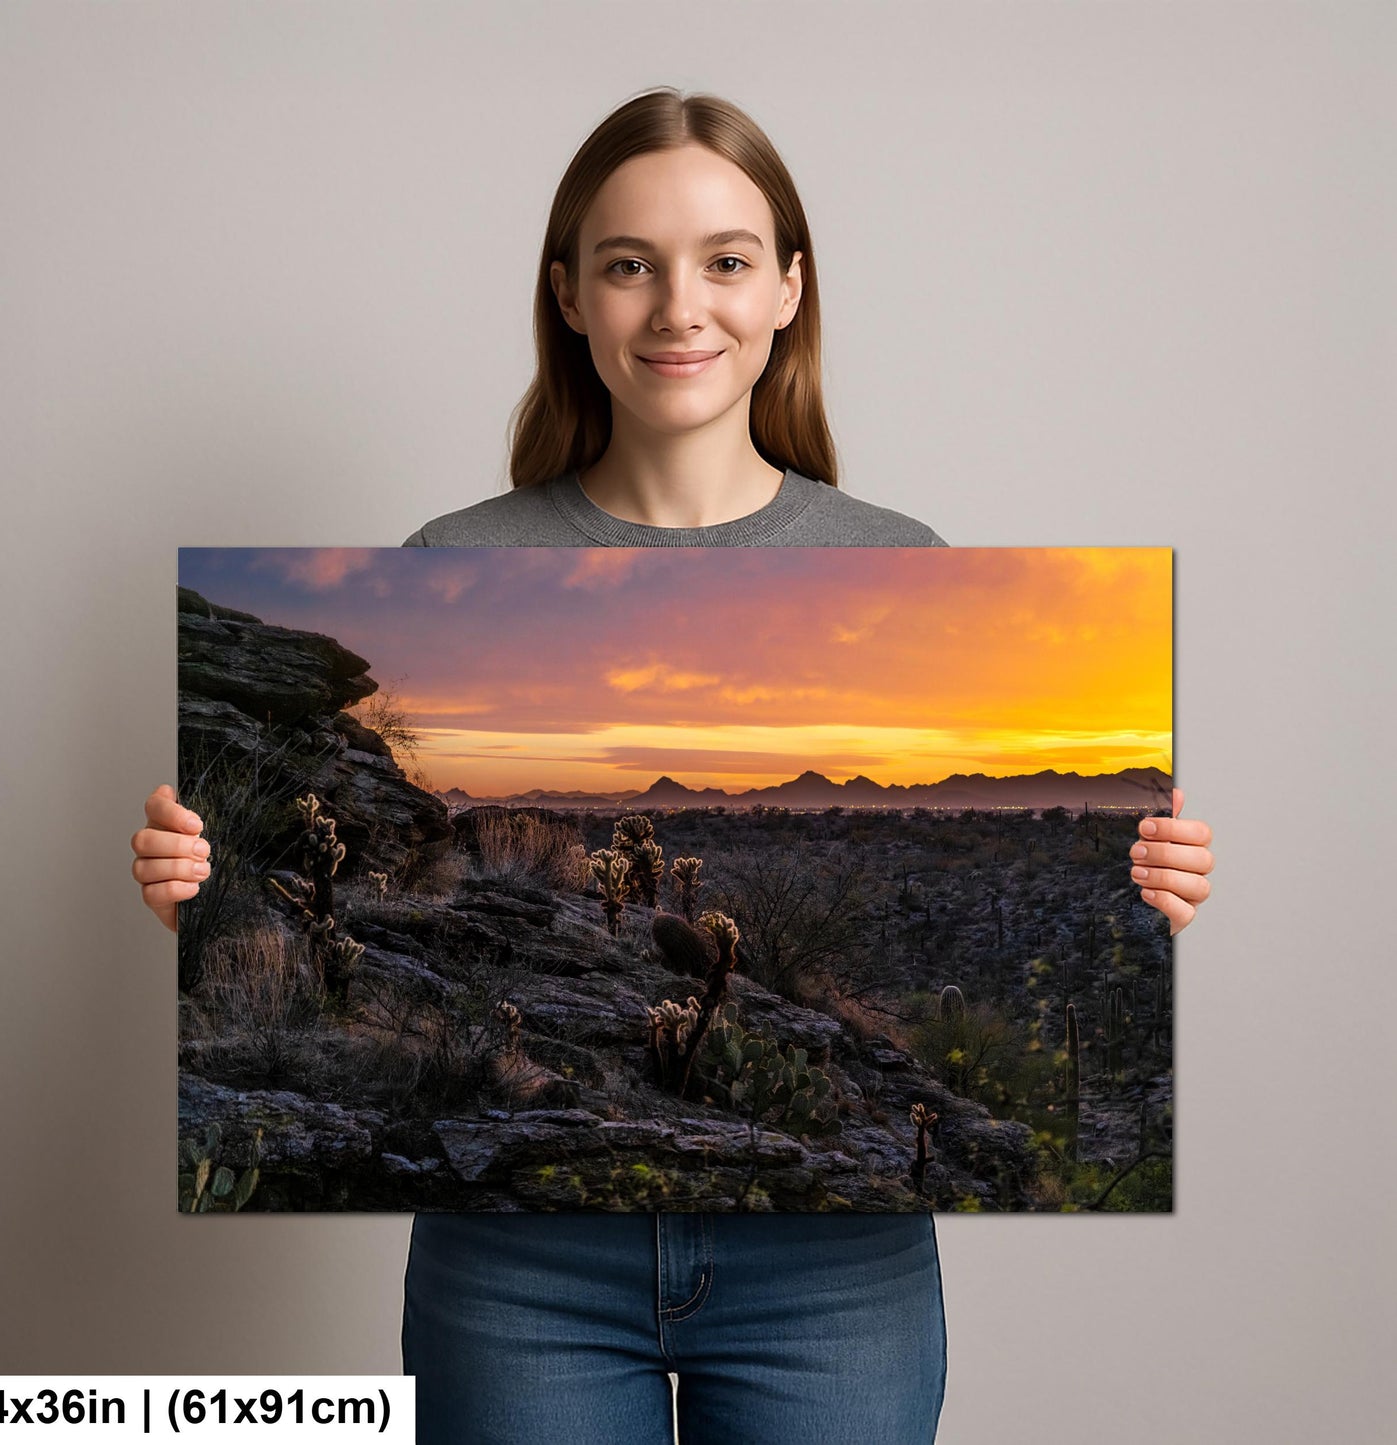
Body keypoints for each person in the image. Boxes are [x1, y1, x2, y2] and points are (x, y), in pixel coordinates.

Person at [132, 88, 1214, 1444]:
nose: (676, 305)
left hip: (835, 1272)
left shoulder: (899, 556)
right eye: (628, 262)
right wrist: (199, 885)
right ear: (570, 295)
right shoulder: (455, 551)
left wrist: (1151, 880)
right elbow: (309, 866)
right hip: (518, 1267)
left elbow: (1111, 888)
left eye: (724, 259)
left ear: (786, 291)